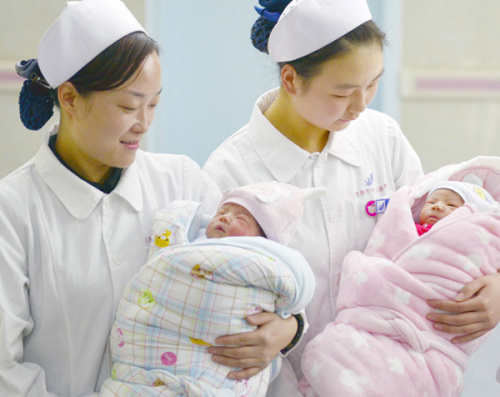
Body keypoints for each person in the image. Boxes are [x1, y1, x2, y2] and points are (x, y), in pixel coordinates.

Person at [203, 0, 500, 392]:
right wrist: (286, 330)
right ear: (290, 80)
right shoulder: (231, 173)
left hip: (390, 378)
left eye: (373, 84)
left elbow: (435, 236)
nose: (362, 105)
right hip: (287, 382)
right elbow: (216, 298)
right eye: (343, 92)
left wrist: (495, 283)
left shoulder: (381, 137)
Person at [0, 1, 294, 395]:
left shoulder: (182, 182)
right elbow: (6, 370)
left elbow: (260, 268)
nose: (144, 123)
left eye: (153, 103)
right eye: (128, 106)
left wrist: (288, 328)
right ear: (69, 99)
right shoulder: (13, 211)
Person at [100, 181, 321, 396]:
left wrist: (291, 324)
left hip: (216, 366)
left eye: (240, 218)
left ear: (263, 239)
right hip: (153, 350)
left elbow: (292, 301)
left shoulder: (267, 263)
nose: (225, 217)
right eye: (222, 211)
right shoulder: (188, 242)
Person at [299, 168, 500, 396]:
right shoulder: (406, 229)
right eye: (432, 201)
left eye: (452, 206)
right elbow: (382, 251)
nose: (437, 206)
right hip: (376, 321)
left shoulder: (470, 240)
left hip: (431, 338)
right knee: (332, 353)